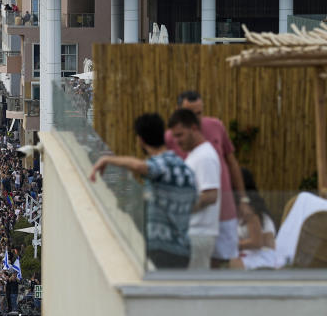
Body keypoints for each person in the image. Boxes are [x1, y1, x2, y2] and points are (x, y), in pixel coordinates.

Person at [91, 113, 197, 269]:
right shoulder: (185, 168)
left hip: (161, 249)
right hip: (184, 249)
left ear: (140, 140)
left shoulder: (160, 164)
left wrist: (108, 159)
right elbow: (195, 202)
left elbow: (142, 167)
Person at [166, 90, 244, 264]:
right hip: (196, 222)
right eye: (191, 113)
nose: (196, 118)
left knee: (228, 258)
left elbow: (232, 163)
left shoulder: (215, 129)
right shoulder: (173, 138)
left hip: (221, 210)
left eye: (199, 113)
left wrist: (243, 200)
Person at [167, 109, 221, 270]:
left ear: (194, 128)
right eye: (174, 136)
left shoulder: (204, 157)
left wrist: (181, 208)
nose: (176, 141)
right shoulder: (196, 155)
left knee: (194, 287)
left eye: (180, 135)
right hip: (193, 233)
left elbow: (211, 195)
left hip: (199, 234)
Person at [229, 169, 278, 270]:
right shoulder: (240, 209)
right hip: (250, 255)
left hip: (261, 258)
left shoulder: (250, 211)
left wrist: (232, 245)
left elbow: (257, 242)